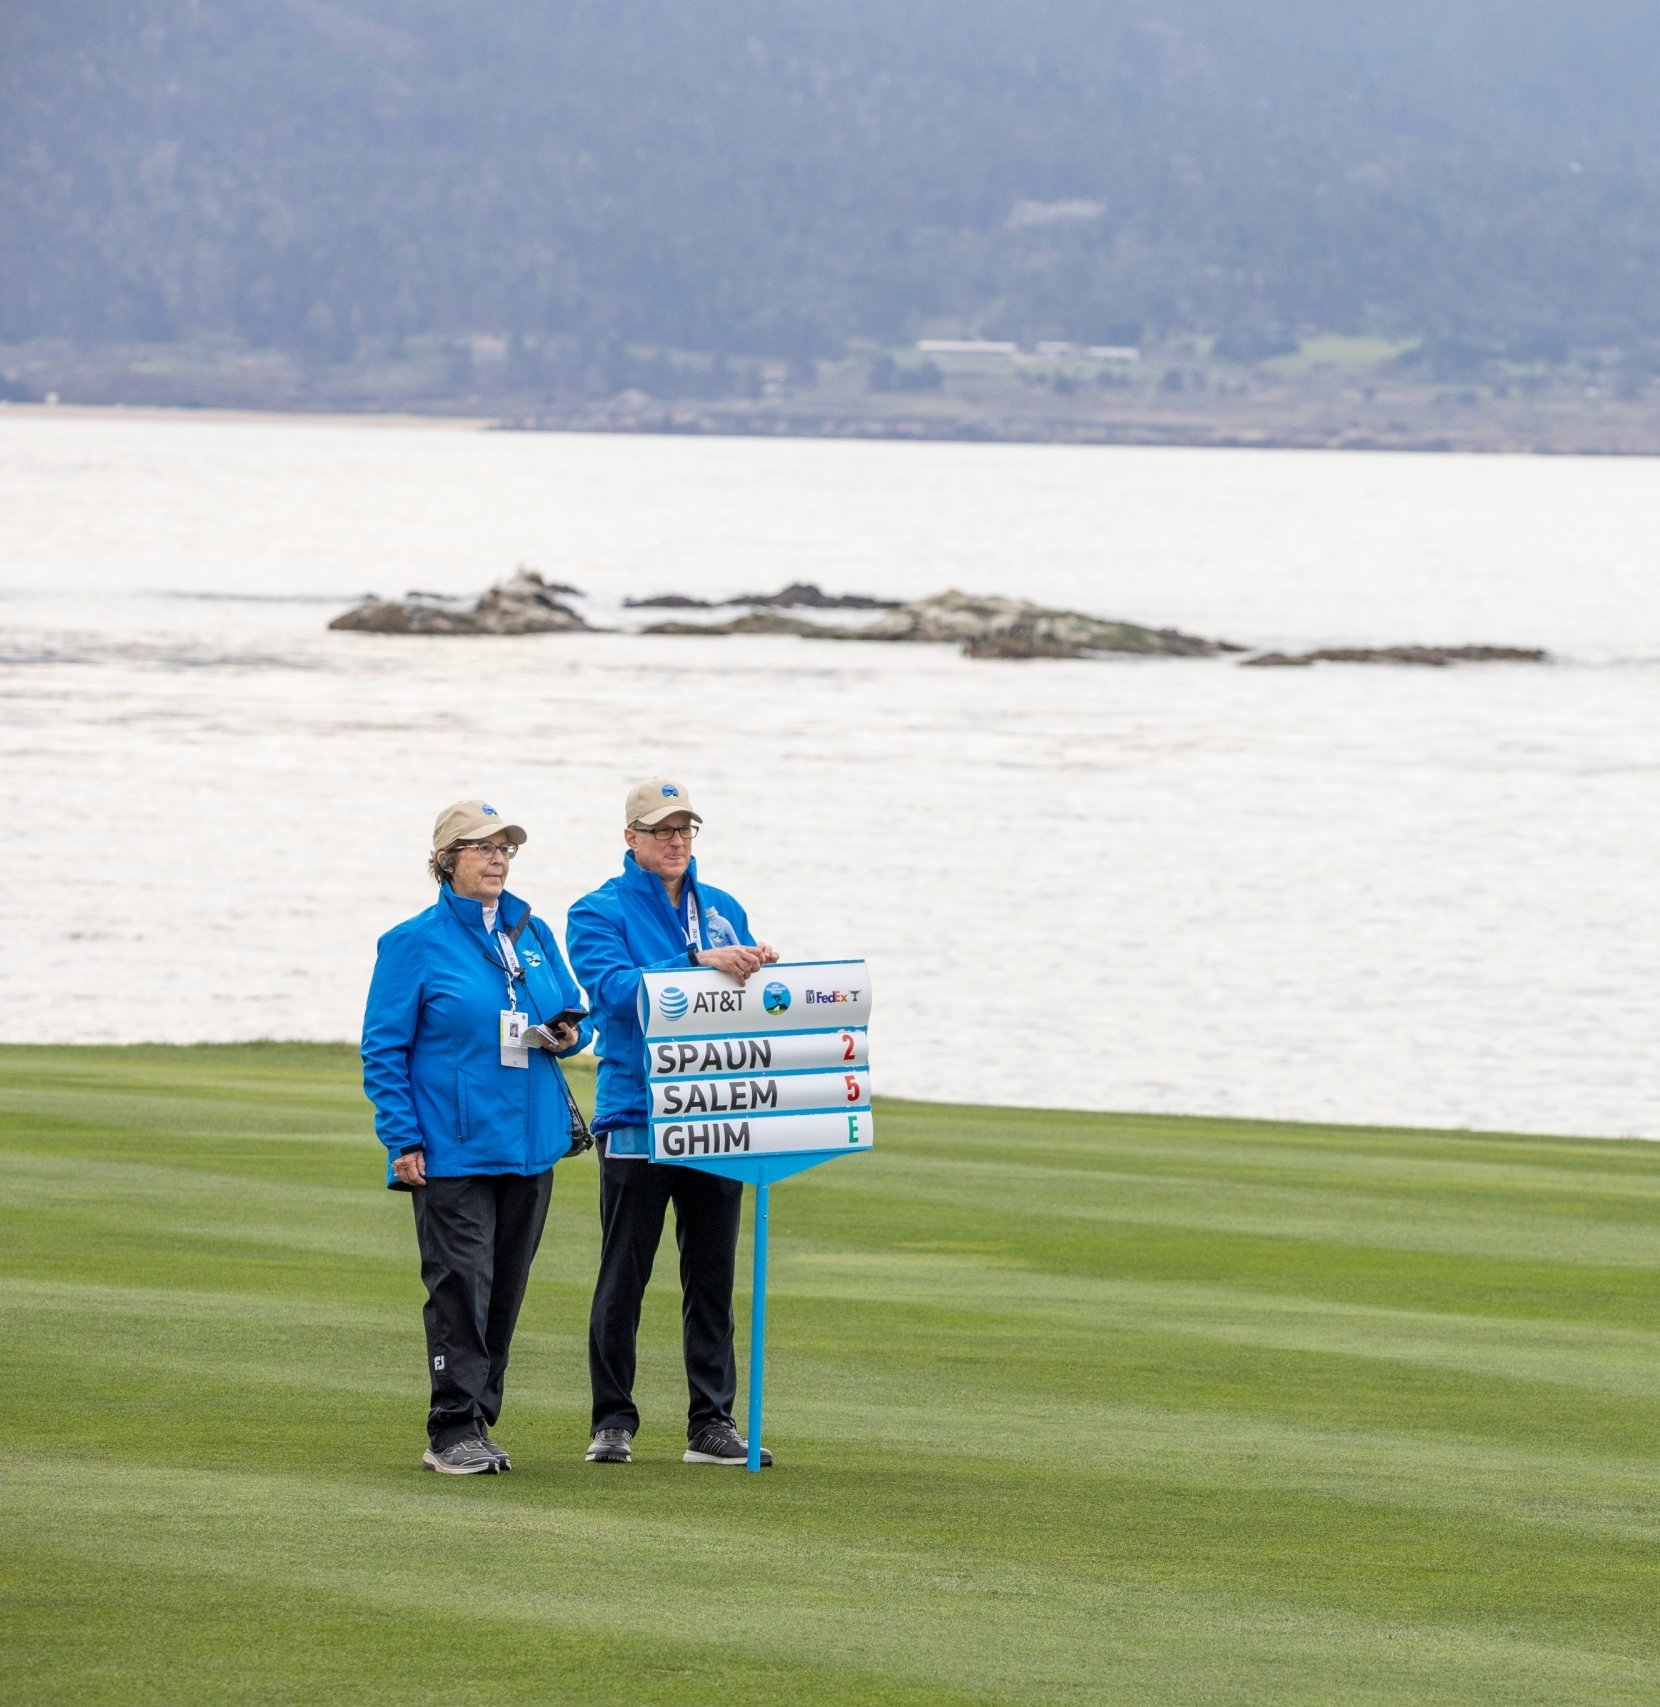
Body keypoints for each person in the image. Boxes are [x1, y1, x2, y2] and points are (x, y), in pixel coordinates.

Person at [361, 800, 593, 1475]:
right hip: (451, 1147)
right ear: (446, 860)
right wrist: (402, 1137)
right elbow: (383, 1048)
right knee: (461, 1284)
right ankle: (451, 1427)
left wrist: (571, 1033)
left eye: (504, 848)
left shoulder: (531, 927)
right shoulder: (413, 942)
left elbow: (574, 1015)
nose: (497, 859)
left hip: (529, 1143)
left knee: (504, 1288)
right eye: (480, 847)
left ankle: (477, 1419)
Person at [566, 778, 780, 1467]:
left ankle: (711, 1423)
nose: (676, 841)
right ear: (631, 838)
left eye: (685, 829)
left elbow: (746, 1006)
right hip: (636, 1110)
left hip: (717, 1114)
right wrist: (695, 963)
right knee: (624, 1272)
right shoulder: (596, 910)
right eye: (661, 830)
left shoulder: (722, 908)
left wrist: (766, 975)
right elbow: (614, 995)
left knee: (712, 1274)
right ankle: (612, 1420)